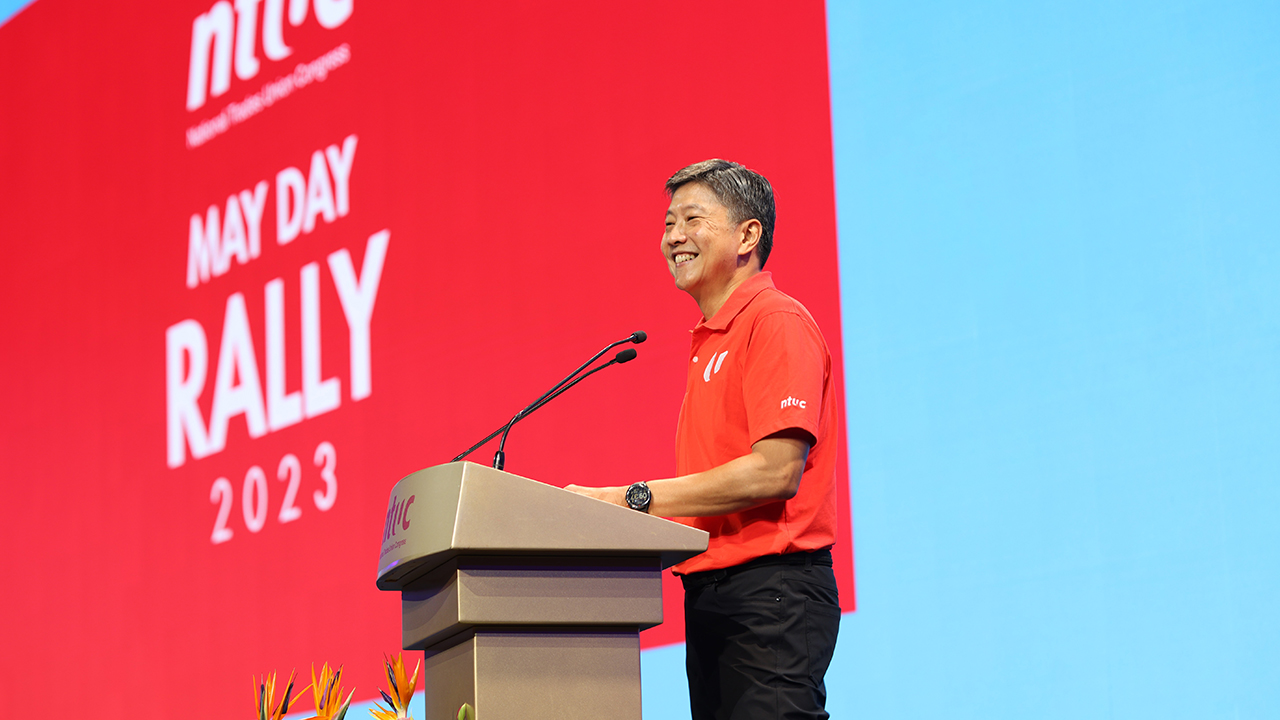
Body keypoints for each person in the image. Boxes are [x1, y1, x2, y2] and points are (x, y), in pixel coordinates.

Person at [566, 159, 841, 720]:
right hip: (712, 590)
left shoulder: (774, 320)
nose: (673, 237)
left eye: (692, 218)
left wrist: (629, 499)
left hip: (772, 591)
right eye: (668, 224)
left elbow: (775, 471)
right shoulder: (711, 340)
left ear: (748, 235)